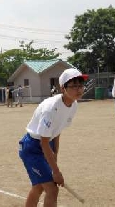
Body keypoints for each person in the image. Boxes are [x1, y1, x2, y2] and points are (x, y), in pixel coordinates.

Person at [18, 68, 88, 207]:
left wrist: (55, 156)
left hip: (46, 145)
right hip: (32, 147)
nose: (79, 89)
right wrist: (56, 171)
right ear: (63, 88)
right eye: (74, 86)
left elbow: (57, 132)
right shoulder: (51, 108)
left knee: (39, 187)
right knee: (52, 189)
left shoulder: (73, 105)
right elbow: (43, 142)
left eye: (80, 85)